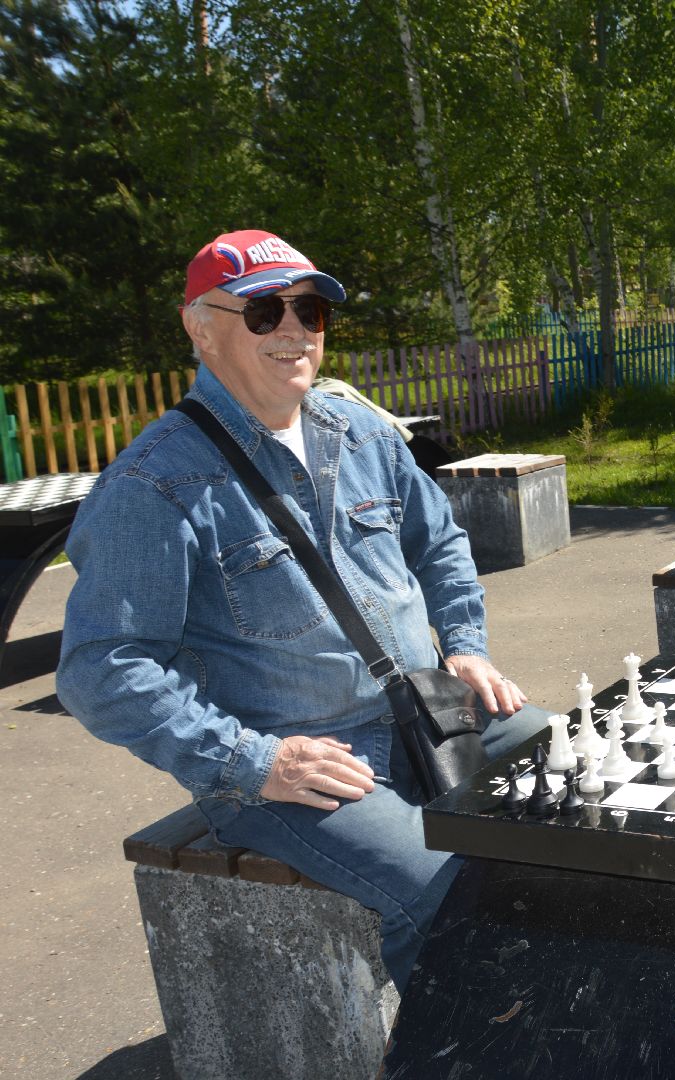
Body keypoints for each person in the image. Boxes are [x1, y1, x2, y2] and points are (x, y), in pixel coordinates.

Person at [56, 229, 553, 991]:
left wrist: (465, 644)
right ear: (201, 327)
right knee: (457, 896)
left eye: (311, 310)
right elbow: (102, 669)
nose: (293, 328)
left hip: (426, 712)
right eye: (263, 311)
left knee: (584, 785)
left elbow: (442, 541)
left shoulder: (360, 432)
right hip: (300, 767)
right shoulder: (153, 487)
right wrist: (253, 762)